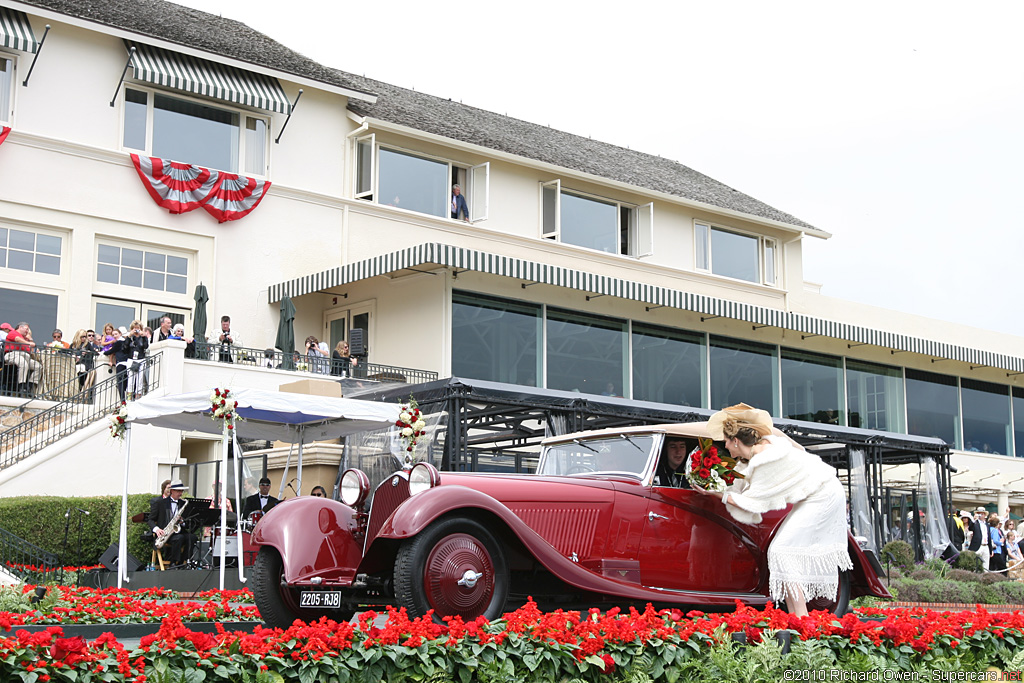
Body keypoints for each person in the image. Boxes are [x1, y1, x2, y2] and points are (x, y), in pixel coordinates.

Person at [696, 403, 852, 617]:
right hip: (816, 492)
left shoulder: (765, 459)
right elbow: (743, 477)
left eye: (726, 441)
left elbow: (753, 502)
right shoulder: (766, 446)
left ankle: (801, 618)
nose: (725, 446)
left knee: (781, 550)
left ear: (735, 441)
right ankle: (798, 616)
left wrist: (716, 494)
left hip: (823, 495)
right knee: (781, 550)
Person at [149, 480, 196, 567]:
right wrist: (157, 530)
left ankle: (183, 561)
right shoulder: (161, 503)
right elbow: (150, 520)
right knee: (179, 538)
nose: (180, 493)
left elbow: (188, 521)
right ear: (172, 491)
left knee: (192, 537)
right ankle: (173, 562)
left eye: (181, 491)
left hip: (179, 530)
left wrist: (183, 522)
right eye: (178, 491)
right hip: (165, 533)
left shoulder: (183, 503)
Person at [3, 322, 42, 396]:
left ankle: (30, 385)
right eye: (26, 329)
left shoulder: (25, 338)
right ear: (20, 327)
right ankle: (22, 385)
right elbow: (17, 339)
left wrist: (30, 339)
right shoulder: (13, 333)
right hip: (13, 354)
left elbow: (31, 347)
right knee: (23, 363)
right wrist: (28, 343)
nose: (27, 331)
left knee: (38, 366)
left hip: (25, 356)